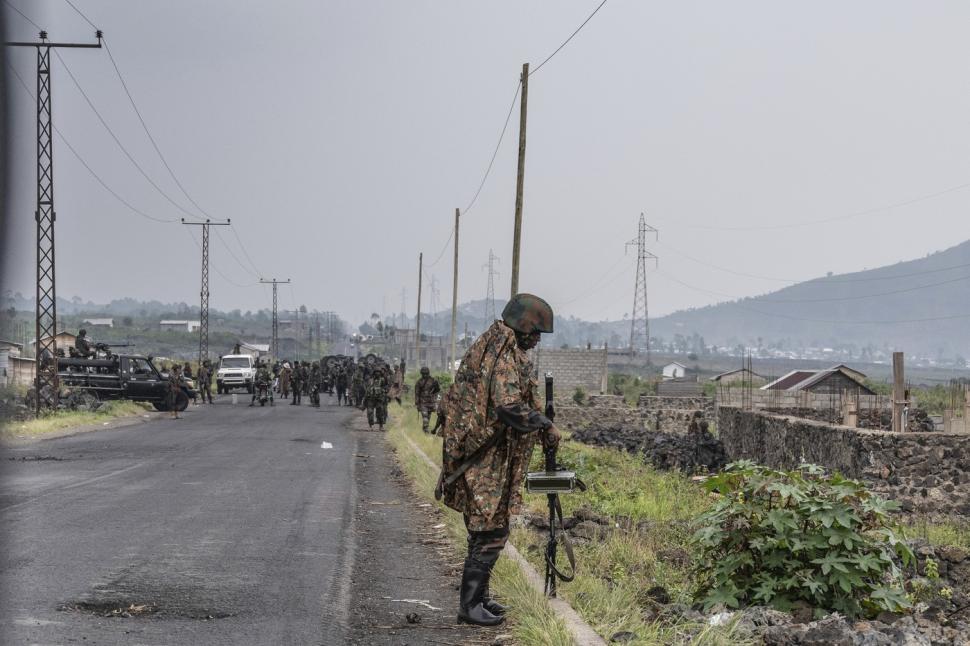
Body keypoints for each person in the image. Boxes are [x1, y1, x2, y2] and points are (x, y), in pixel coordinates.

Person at [437, 293, 560, 627]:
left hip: (484, 456)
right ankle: (470, 605)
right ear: (522, 327)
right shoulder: (503, 353)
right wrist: (544, 424)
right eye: (535, 333)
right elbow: (507, 406)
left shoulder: (495, 345)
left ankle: (480, 598)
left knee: (484, 528)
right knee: (491, 529)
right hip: (484, 459)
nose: (536, 340)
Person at [414, 367, 441, 433]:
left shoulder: (433, 380)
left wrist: (436, 385)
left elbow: (437, 390)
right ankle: (426, 430)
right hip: (423, 403)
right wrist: (417, 403)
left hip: (431, 402)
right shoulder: (419, 382)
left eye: (426, 373)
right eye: (424, 374)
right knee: (425, 417)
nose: (425, 375)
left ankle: (425, 429)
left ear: (428, 373)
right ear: (422, 374)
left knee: (428, 417)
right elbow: (417, 393)